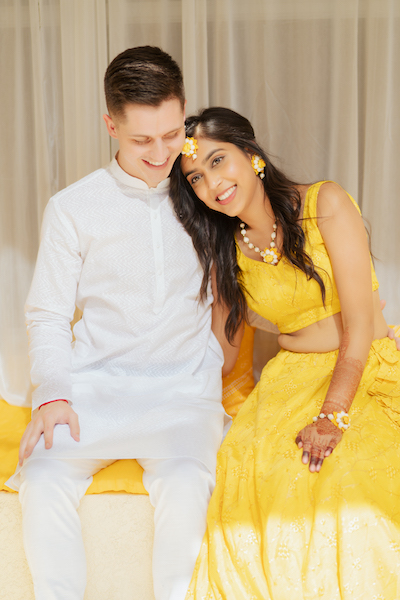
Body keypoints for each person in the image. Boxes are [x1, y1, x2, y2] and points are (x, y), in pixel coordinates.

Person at [6, 49, 236, 600]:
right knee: (40, 478)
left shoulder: (208, 193)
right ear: (111, 125)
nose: (160, 154)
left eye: (171, 134)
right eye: (141, 140)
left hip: (184, 392)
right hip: (93, 390)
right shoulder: (72, 207)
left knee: (185, 485)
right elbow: (48, 312)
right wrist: (53, 395)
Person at [170, 107, 400, 599]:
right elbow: (221, 355)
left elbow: (359, 324)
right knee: (256, 487)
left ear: (251, 156)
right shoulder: (227, 250)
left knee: (354, 485)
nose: (211, 182)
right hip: (287, 382)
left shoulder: (326, 203)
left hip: (363, 369)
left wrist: (332, 415)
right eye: (195, 177)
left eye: (218, 160)